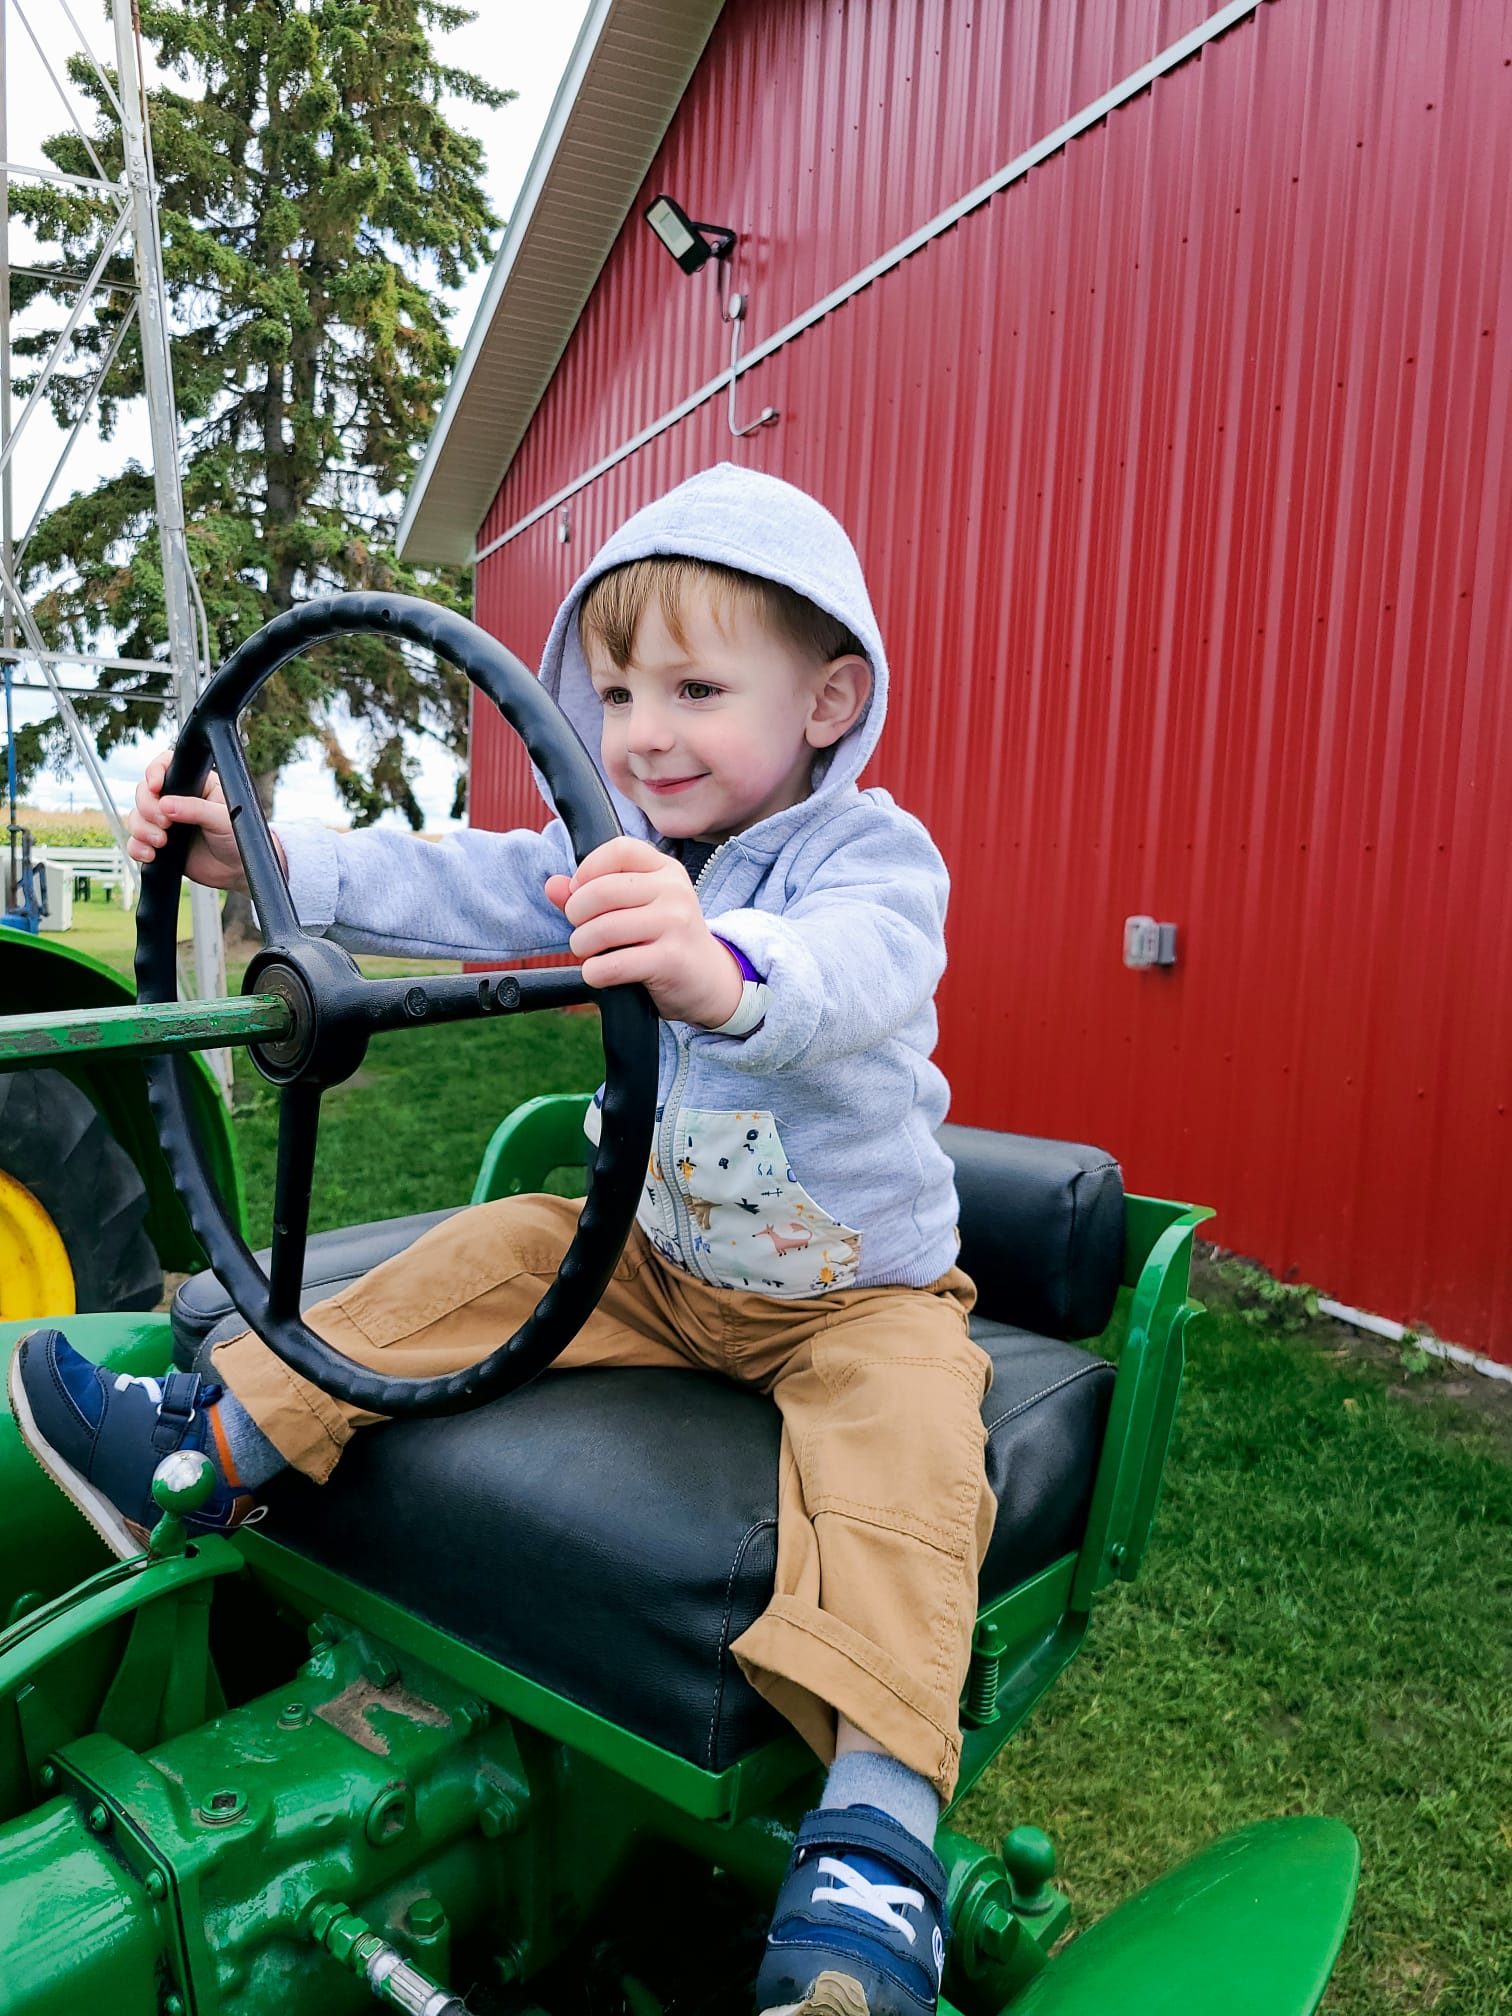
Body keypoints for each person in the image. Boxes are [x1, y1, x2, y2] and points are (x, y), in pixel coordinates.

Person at [8, 464, 995, 2016]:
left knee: (914, 1454)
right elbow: (453, 877)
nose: (642, 730)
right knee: (491, 1247)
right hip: (651, 1255)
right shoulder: (608, 842)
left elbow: (853, 974)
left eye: (694, 686)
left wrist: (713, 960)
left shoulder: (869, 860)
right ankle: (208, 1449)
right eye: (614, 692)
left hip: (849, 1292)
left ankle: (876, 1830)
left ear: (827, 701)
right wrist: (259, 860)